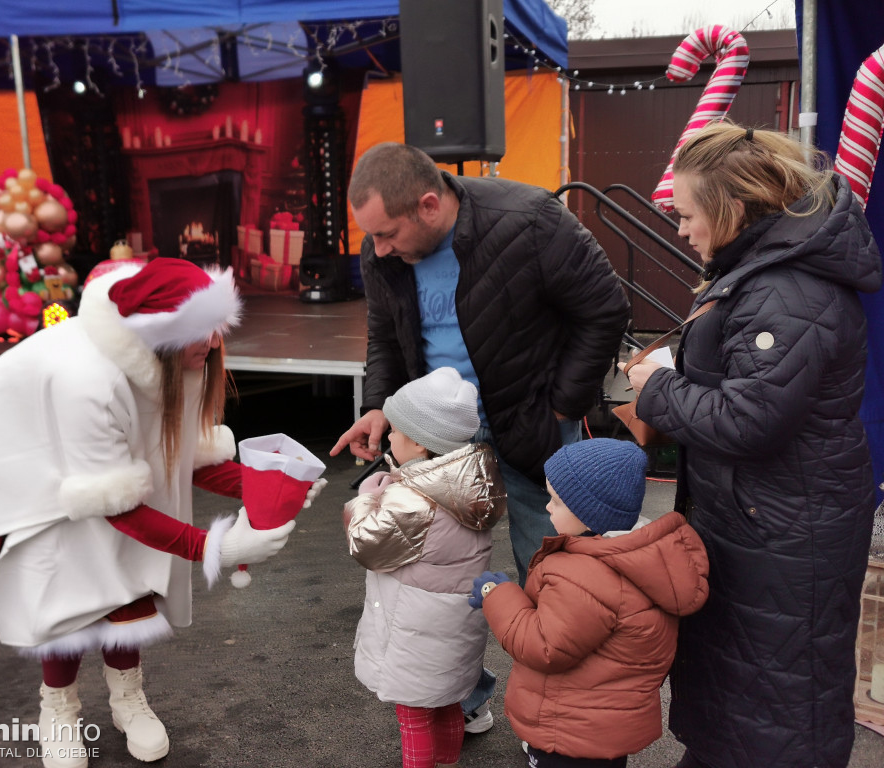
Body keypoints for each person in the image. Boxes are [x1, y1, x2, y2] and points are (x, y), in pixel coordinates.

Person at [0, 258, 324, 768]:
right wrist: (217, 547)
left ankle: (127, 698)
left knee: (128, 586)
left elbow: (181, 459)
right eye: (203, 332)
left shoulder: (183, 356)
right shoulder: (87, 381)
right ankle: (58, 709)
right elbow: (117, 508)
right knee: (67, 596)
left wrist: (272, 486)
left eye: (216, 328)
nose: (216, 341)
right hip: (38, 487)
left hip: (99, 475)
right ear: (162, 333)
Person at [331, 142, 630, 729]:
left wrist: (559, 406)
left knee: (549, 574)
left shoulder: (531, 220)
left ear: (428, 205)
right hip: (438, 438)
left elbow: (604, 309)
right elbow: (386, 337)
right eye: (373, 238)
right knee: (429, 580)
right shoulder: (384, 249)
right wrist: (378, 407)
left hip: (529, 425)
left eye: (388, 234)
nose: (378, 248)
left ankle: (553, 719)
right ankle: (461, 701)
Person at [621, 122, 883, 768]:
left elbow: (751, 418)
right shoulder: (768, 270)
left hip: (788, 534)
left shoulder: (787, 289)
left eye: (687, 215)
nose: (681, 230)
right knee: (750, 690)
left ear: (732, 207)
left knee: (782, 699)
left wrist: (658, 388)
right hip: (768, 520)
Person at [469, 438, 709, 768]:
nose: (548, 507)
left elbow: (543, 645)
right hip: (605, 730)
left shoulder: (585, 575)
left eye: (557, 501)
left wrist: (496, 594)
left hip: (569, 731)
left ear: (590, 512)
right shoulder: (637, 558)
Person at [344, 367, 506, 768]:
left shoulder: (412, 500)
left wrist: (370, 492)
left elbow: (365, 541)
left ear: (417, 443)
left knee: (413, 716)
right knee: (449, 705)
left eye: (395, 431)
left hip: (414, 632)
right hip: (455, 629)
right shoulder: (474, 481)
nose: (389, 437)